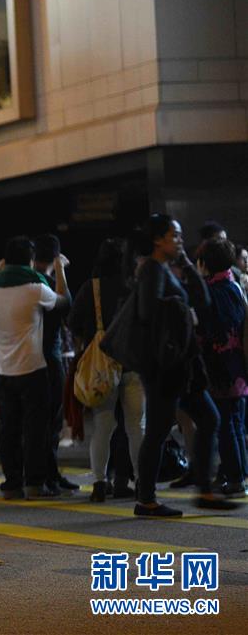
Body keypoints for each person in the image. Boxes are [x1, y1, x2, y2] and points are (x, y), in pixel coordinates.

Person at [133, 214, 239, 516]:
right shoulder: (152, 271)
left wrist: (190, 267)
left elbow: (203, 301)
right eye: (174, 235)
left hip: (181, 365)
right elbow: (147, 312)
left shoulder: (167, 269)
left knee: (208, 418)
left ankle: (204, 489)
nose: (180, 240)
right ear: (157, 239)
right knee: (158, 430)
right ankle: (147, 499)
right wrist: (183, 313)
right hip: (163, 367)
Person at [0, 236, 70, 500]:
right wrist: (61, 269)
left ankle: (11, 484)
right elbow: (64, 301)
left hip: (3, 373)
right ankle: (34, 483)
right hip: (33, 369)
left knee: (8, 430)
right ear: (31, 262)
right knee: (35, 431)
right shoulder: (35, 290)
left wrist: (0, 267)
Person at [69, 239, 145, 502]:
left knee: (102, 427)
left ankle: (100, 483)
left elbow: (73, 323)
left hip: (101, 368)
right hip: (132, 364)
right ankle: (142, 482)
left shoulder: (91, 288)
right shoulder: (132, 287)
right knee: (136, 427)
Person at [195, 238, 247, 497]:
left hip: (221, 367)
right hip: (239, 365)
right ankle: (240, 476)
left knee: (226, 424)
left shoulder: (213, 291)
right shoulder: (235, 286)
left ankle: (235, 479)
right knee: (236, 423)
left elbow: (211, 329)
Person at [33, 235, 79, 494]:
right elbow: (66, 304)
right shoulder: (46, 285)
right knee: (52, 422)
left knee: (39, 422)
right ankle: (49, 476)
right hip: (50, 358)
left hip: (28, 359)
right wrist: (60, 268)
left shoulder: (26, 282)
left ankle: (43, 475)